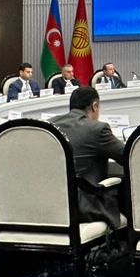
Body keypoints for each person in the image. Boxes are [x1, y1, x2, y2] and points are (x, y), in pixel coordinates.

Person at [51, 86, 125, 225]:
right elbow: (129, 157)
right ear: (94, 106)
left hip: (52, 202)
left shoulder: (50, 125)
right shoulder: (98, 129)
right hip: (83, 206)